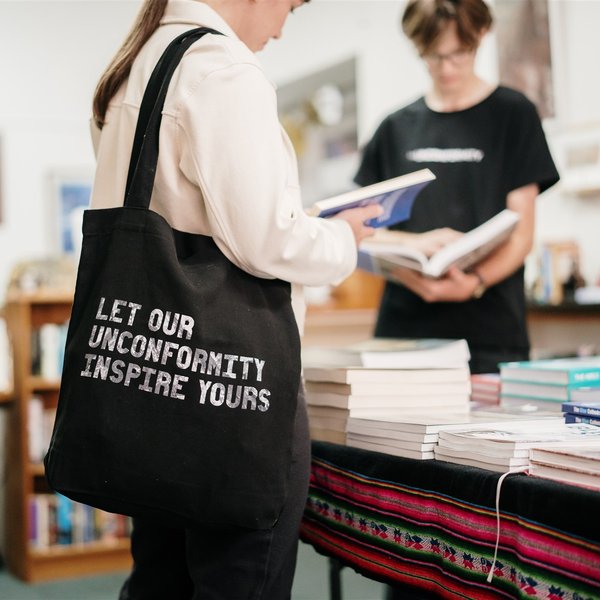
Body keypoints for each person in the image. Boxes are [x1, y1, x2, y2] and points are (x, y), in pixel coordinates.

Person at [90, 1, 381, 599]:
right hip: (235, 388)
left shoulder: (136, 63)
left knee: (159, 581)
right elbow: (265, 238)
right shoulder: (222, 69)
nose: (279, 28)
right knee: (241, 581)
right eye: (290, 7)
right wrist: (343, 238)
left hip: (158, 380)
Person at [355, 0, 560, 376]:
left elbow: (521, 235)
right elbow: (362, 230)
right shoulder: (393, 128)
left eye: (459, 54)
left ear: (481, 35)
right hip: (403, 332)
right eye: (433, 57)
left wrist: (475, 282)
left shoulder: (514, 115)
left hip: (489, 332)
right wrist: (410, 251)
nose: (446, 68)